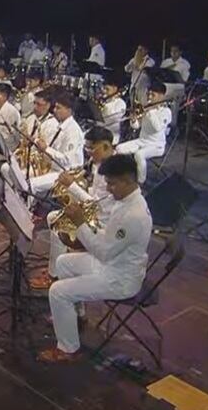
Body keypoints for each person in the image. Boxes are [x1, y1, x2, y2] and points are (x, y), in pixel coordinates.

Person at [38, 154, 152, 364]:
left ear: (128, 180)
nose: (108, 189)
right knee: (63, 262)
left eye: (112, 183)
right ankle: (77, 314)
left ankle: (68, 348)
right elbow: (107, 236)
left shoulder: (133, 215)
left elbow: (103, 252)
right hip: (113, 265)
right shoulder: (125, 200)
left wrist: (80, 224)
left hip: (120, 279)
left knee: (57, 291)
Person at [31, 126, 120, 290]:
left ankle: (54, 275)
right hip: (97, 213)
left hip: (102, 223)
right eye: (86, 148)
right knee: (53, 217)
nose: (89, 153)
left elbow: (96, 205)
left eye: (92, 149)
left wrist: (72, 186)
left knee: (57, 221)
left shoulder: (113, 172)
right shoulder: (100, 163)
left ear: (106, 146)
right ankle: (59, 265)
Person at [115, 81, 172, 185]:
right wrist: (133, 120)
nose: (149, 97)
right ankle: (122, 174)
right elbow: (137, 127)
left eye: (153, 95)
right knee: (119, 149)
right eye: (148, 94)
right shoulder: (147, 109)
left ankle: (140, 182)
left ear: (161, 96)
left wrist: (150, 111)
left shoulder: (166, 112)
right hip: (142, 141)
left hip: (156, 145)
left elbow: (157, 128)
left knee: (139, 155)